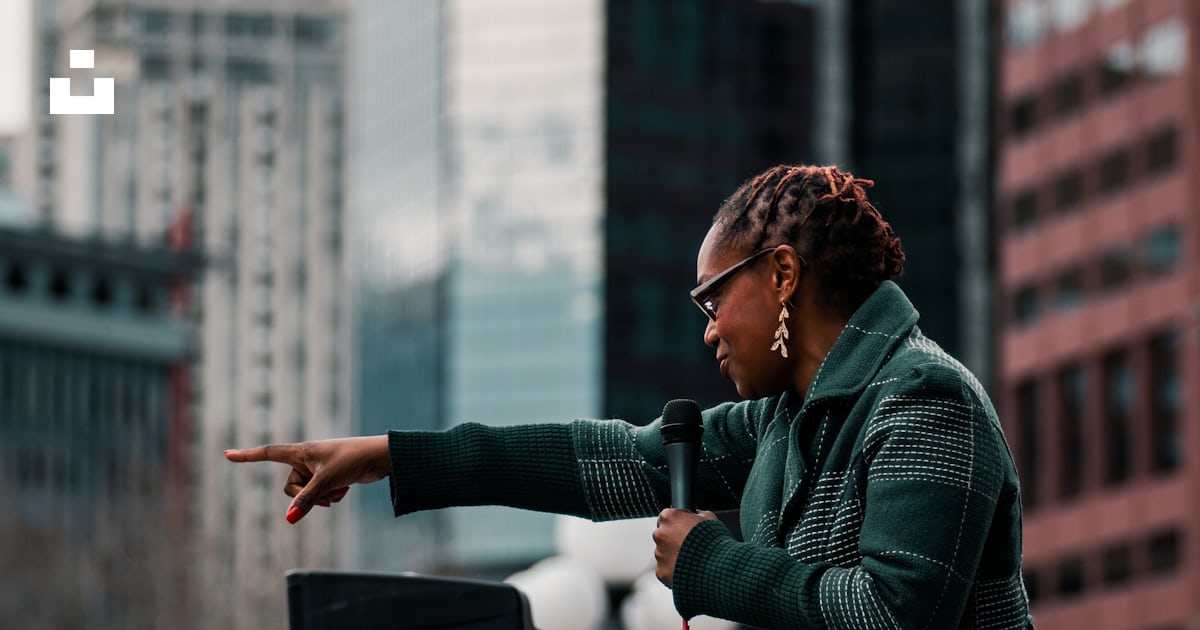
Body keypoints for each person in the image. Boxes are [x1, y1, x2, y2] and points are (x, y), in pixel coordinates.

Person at [226, 164, 1034, 629]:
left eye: (713, 298)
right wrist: (393, 459)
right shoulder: (790, 419)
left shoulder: (924, 401)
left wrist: (713, 565)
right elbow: (608, 458)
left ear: (783, 274)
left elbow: (896, 616)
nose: (709, 330)